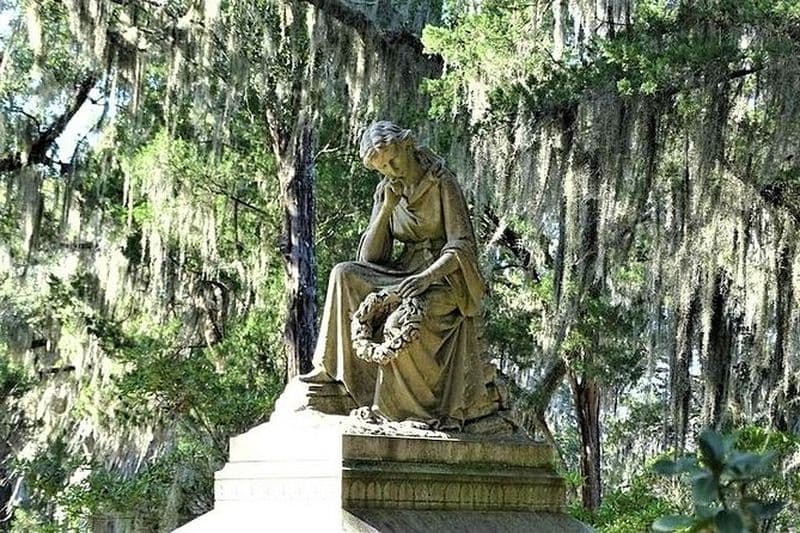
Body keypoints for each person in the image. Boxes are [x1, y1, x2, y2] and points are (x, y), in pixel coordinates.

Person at [300, 121, 498, 428]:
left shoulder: (441, 181)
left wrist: (426, 278)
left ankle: (399, 411)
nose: (391, 170)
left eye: (393, 160)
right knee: (343, 273)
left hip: (442, 278)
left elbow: (462, 245)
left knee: (400, 321)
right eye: (382, 168)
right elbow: (370, 257)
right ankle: (329, 370)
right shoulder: (387, 190)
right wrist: (386, 209)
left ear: (407, 145)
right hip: (402, 272)